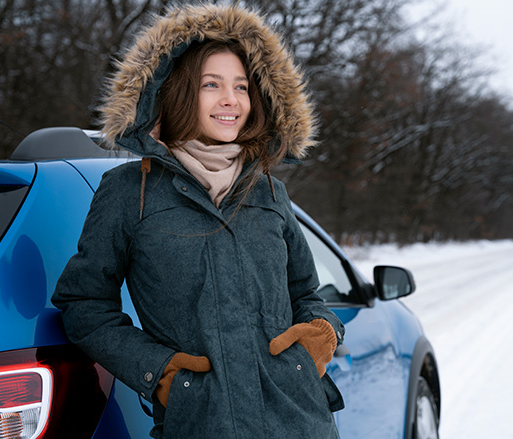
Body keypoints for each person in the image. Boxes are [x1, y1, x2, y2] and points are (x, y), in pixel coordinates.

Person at [51, 3, 345, 438]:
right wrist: (160, 373)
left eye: (242, 87)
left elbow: (306, 290)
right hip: (200, 424)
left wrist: (322, 334)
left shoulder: (267, 190)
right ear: (175, 92)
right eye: (212, 84)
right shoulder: (130, 191)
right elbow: (84, 305)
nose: (231, 100)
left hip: (301, 421)